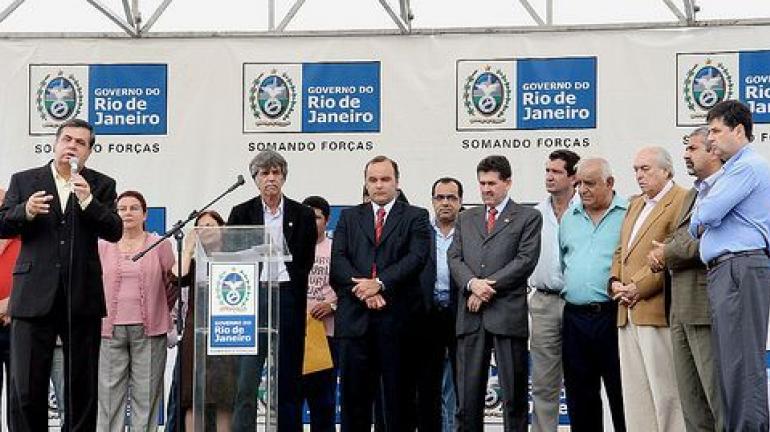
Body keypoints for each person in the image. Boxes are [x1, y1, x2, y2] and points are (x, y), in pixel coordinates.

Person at [0, 118, 123, 431]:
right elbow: (2, 223)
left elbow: (114, 231)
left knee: (82, 388)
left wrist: (89, 202)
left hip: (81, 296)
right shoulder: (25, 180)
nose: (72, 146)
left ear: (89, 152)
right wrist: (24, 211)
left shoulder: (101, 184)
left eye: (80, 143)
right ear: (55, 144)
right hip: (32, 295)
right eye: (67, 139)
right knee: (26, 388)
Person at [330, 155, 431, 431]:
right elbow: (338, 263)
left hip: (397, 323)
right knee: (353, 404)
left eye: (385, 179)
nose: (379, 185)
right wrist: (365, 289)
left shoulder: (416, 216)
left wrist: (381, 283)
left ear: (397, 183)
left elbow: (416, 258)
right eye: (373, 180)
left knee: (398, 404)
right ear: (365, 183)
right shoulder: (349, 217)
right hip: (355, 323)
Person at [689, 99, 770, 431]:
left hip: (740, 267)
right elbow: (700, 220)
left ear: (739, 130)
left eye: (716, 131)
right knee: (730, 365)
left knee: (742, 366)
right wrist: (703, 216)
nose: (710, 139)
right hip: (729, 270)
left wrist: (704, 215)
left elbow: (705, 215)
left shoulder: (748, 167)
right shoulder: (732, 170)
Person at [448, 155, 542, 432]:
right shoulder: (466, 218)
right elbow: (454, 258)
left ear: (508, 182)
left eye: (492, 183)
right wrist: (472, 285)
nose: (486, 189)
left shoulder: (528, 217)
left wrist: (485, 286)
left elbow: (525, 260)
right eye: (482, 183)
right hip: (471, 316)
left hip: (507, 316)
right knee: (467, 398)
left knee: (513, 396)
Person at [228, 149, 316, 432]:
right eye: (264, 173)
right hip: (251, 303)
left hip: (287, 301)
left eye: (276, 173)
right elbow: (231, 255)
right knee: (245, 383)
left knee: (289, 383)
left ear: (284, 177)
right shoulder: (241, 212)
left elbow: (305, 262)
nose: (271, 179)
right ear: (255, 179)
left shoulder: (302, 214)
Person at [647, 128, 724, 432]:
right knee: (691, 400)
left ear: (713, 151)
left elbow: (701, 240)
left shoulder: (724, 188)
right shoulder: (693, 191)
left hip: (704, 305)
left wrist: (666, 253)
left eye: (692, 148)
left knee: (715, 395)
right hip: (679, 304)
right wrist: (668, 249)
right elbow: (680, 235)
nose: (685, 155)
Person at [609, 146, 687, 432]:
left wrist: (637, 287)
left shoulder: (682, 200)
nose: (639, 175)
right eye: (636, 170)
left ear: (666, 170)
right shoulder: (635, 203)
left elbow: (672, 253)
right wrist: (615, 282)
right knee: (635, 395)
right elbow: (621, 250)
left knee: (665, 392)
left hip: (655, 309)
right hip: (625, 310)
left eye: (646, 169)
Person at [96, 190, 175, 431]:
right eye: (122, 209)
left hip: (149, 332)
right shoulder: (103, 245)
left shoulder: (160, 244)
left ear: (145, 214)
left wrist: (159, 310)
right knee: (109, 399)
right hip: (109, 332)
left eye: (133, 208)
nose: (127, 213)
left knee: (146, 395)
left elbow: (171, 284)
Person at [559, 158, 626, 432]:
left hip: (614, 316)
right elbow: (565, 263)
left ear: (610, 183)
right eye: (578, 184)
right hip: (574, 318)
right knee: (579, 397)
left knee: (622, 394)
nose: (582, 190)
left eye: (590, 183)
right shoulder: (569, 218)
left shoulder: (630, 213)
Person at [405, 177, 463, 432]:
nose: (445, 203)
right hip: (427, 316)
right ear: (432, 201)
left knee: (464, 387)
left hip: (462, 314)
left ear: (460, 201)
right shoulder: (420, 231)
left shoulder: (470, 231)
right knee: (427, 388)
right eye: (440, 198)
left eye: (451, 197)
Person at [528, 150, 580, 432]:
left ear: (573, 176)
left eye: (557, 172)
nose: (549, 176)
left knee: (581, 381)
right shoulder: (535, 214)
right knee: (544, 383)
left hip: (579, 305)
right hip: (544, 302)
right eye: (547, 171)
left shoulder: (587, 211)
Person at [299, 196, 337, 432]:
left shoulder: (336, 248)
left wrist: (332, 306)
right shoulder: (291, 248)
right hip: (296, 334)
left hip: (327, 334)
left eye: (317, 217)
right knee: (293, 399)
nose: (312, 222)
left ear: (327, 219)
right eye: (307, 217)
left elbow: (347, 285)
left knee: (324, 401)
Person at [0, 187, 20, 431]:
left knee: (20, 397)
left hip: (19, 324)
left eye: (5, 203)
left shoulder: (28, 235)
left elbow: (39, 277)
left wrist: (9, 305)